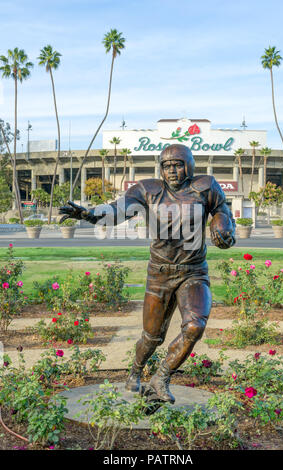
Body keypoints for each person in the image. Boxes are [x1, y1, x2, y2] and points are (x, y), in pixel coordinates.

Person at [59, 144, 235, 405]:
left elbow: (223, 211)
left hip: (193, 272)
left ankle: (161, 377)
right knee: (152, 337)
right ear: (160, 168)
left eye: (178, 164)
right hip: (160, 275)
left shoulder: (206, 186)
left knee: (195, 325)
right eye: (166, 165)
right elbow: (117, 210)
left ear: (189, 165)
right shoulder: (147, 190)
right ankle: (135, 370)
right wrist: (89, 214)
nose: (172, 170)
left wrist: (221, 226)